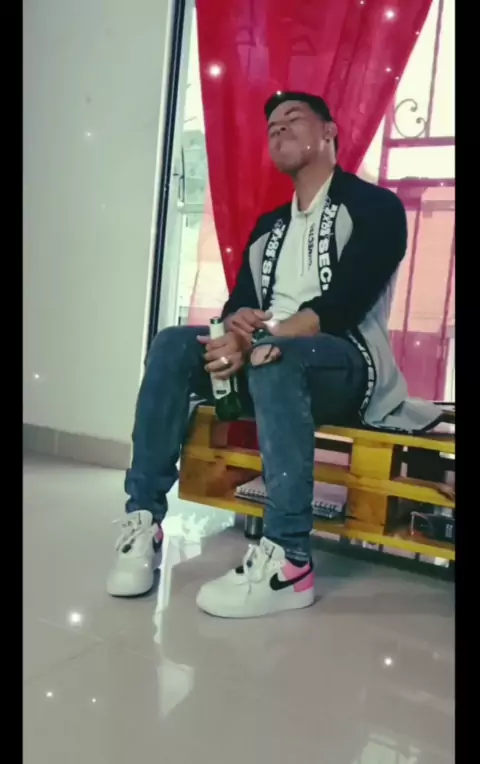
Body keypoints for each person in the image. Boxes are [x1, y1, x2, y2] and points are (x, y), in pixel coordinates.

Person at [107, 91, 442, 617]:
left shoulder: (375, 207)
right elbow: (240, 303)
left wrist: (260, 341)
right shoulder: (269, 227)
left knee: (275, 357)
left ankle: (289, 561)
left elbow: (342, 305)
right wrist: (235, 327)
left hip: (345, 362)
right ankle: (143, 522)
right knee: (173, 343)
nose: (278, 128)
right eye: (272, 126)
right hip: (265, 357)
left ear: (329, 132)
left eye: (293, 119)